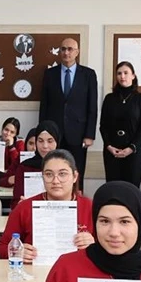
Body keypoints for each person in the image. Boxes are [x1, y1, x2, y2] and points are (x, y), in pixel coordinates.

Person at [0, 149, 94, 260]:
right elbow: (2, 247)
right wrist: (17, 252)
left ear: (75, 176)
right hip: (33, 269)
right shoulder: (25, 207)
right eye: (49, 174)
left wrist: (94, 245)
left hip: (76, 268)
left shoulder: (90, 207)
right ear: (42, 177)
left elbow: (108, 247)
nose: (55, 181)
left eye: (62, 174)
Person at [39, 37, 97, 189]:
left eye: (70, 49)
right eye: (63, 49)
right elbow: (44, 105)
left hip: (78, 133)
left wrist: (89, 135)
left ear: (77, 52)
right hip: (54, 134)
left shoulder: (88, 75)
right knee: (54, 170)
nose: (66, 52)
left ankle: (77, 199)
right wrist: (42, 132)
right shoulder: (50, 74)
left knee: (77, 171)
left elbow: (92, 107)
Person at [99, 61, 141, 186]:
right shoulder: (109, 98)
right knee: (113, 189)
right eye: (119, 73)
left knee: (131, 190)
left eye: (126, 73)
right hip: (112, 152)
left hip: (134, 152)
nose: (122, 76)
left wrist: (131, 148)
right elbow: (103, 126)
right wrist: (109, 146)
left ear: (133, 76)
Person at [2, 123, 59, 203]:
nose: (45, 146)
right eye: (40, 141)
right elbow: (15, 202)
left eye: (50, 141)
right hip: (29, 210)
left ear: (57, 142)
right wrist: (20, 204)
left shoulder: (65, 167)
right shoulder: (24, 167)